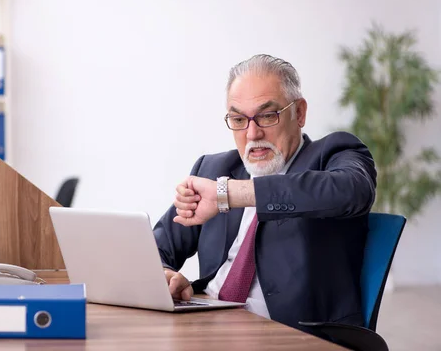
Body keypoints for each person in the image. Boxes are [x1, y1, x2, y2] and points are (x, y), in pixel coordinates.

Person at [153, 54, 377, 334]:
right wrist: (165, 275)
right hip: (208, 321)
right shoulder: (214, 168)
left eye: (267, 115)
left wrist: (230, 194)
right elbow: (155, 248)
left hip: (295, 334)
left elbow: (352, 190)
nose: (252, 133)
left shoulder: (334, 154)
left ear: (300, 113)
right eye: (238, 119)